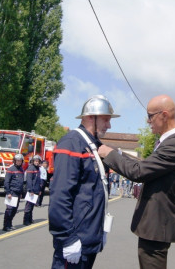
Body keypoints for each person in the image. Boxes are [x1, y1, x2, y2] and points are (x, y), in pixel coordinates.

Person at [99, 95, 175, 269]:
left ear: (164, 115)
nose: (148, 121)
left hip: (157, 228)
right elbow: (144, 166)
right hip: (154, 228)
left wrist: (109, 155)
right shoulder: (170, 142)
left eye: (150, 115)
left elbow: (139, 171)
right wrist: (115, 153)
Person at [49, 95, 119, 268]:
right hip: (76, 238)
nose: (109, 125)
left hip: (89, 238)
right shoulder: (72, 143)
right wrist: (67, 238)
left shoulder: (92, 144)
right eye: (105, 119)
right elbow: (60, 195)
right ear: (90, 117)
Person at [3, 154, 25, 231]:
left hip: (18, 193)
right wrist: (8, 192)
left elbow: (21, 182)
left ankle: (10, 223)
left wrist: (22, 192)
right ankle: (6, 225)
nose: (19, 162)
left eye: (20, 161)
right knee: (9, 210)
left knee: (15, 210)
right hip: (12, 193)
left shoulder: (22, 170)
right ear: (14, 161)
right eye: (17, 160)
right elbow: (6, 182)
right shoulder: (11, 169)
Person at [23, 155, 42, 225]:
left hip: (36, 190)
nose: (37, 162)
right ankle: (26, 220)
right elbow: (29, 180)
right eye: (35, 161)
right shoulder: (31, 168)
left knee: (32, 206)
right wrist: (30, 190)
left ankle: (30, 219)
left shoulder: (38, 169)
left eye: (38, 161)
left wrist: (39, 190)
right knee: (28, 206)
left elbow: (39, 180)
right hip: (32, 191)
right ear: (33, 161)